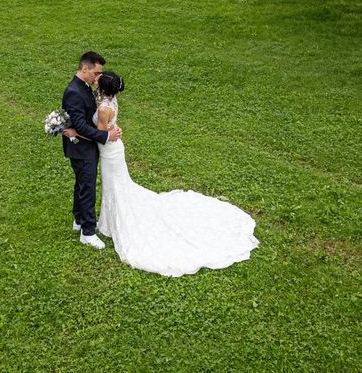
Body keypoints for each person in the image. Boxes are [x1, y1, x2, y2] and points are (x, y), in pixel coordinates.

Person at [65, 71, 258, 277]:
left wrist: (76, 132)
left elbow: (101, 134)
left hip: (110, 151)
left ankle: (111, 222)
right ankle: (97, 221)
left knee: (115, 187)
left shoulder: (104, 108)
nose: (96, 79)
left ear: (102, 89)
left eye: (98, 80)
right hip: (113, 148)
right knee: (117, 186)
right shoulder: (108, 100)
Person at [61, 52, 122, 249]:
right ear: (84, 69)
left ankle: (79, 220)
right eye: (96, 73)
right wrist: (106, 136)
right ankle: (87, 232)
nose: (98, 78)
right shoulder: (74, 91)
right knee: (87, 187)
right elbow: (80, 125)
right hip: (81, 148)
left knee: (82, 183)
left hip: (88, 146)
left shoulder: (85, 86)